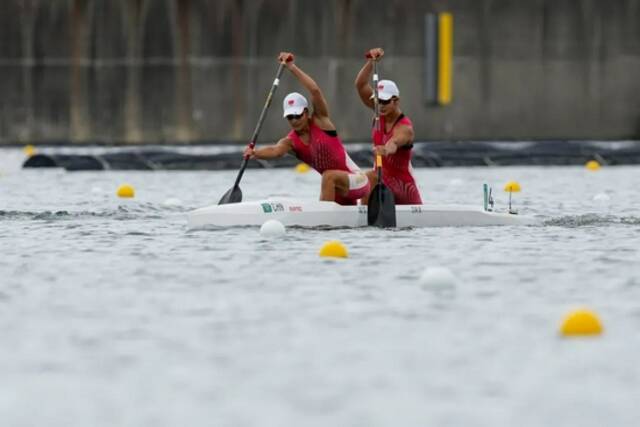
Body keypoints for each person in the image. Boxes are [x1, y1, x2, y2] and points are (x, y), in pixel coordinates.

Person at [244, 52, 369, 205]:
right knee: (336, 221)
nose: (295, 121)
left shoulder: (320, 121)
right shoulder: (290, 142)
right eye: (290, 117)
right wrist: (255, 153)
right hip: (336, 188)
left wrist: (291, 67)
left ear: (306, 112)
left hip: (358, 181)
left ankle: (322, 221)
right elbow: (275, 151)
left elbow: (315, 91)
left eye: (297, 115)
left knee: (328, 176)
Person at [354, 47, 423, 205]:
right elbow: (360, 84)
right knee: (369, 177)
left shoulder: (405, 127)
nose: (380, 105)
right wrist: (371, 62)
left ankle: (362, 218)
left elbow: (395, 143)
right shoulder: (379, 114)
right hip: (382, 183)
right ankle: (362, 217)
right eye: (377, 101)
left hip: (404, 191)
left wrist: (385, 149)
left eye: (385, 101)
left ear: (396, 100)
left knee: (370, 176)